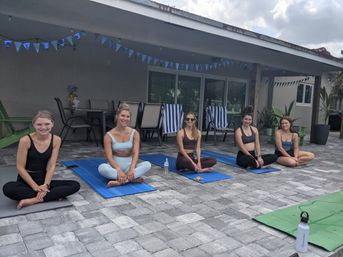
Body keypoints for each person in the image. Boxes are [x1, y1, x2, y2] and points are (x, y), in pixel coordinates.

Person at [2, 110, 80, 209]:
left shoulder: (56, 140)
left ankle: (34, 200)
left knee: (75, 185)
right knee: (8, 188)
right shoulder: (25, 140)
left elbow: (51, 165)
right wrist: (35, 187)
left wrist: (45, 185)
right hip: (26, 181)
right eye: (39, 124)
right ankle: (51, 196)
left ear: (52, 124)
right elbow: (20, 167)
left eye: (47, 124)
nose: (43, 127)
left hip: (43, 180)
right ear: (33, 125)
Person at [98, 103, 151, 187]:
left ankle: (121, 181)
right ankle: (132, 179)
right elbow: (109, 157)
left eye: (127, 116)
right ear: (117, 116)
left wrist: (132, 168)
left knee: (147, 164)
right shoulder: (108, 135)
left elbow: (136, 153)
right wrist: (118, 170)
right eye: (122, 115)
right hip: (115, 167)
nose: (125, 119)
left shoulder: (135, 133)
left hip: (129, 166)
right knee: (102, 168)